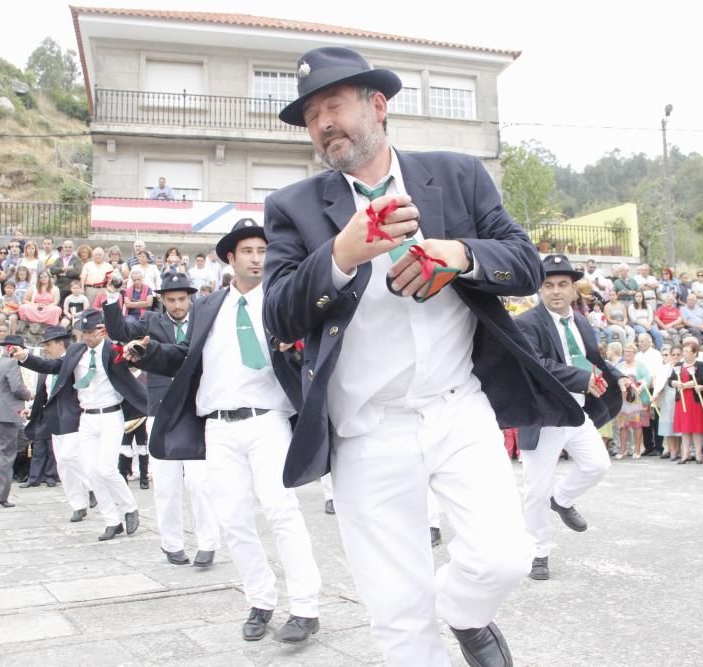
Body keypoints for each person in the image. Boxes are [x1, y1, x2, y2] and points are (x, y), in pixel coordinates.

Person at [260, 46, 580, 666]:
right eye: (310, 115)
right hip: (367, 428)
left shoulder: (456, 175)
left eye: (333, 105)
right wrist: (341, 254)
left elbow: (525, 264)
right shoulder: (292, 208)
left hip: (458, 408)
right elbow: (278, 312)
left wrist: (459, 256)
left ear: (377, 106)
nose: (323, 122)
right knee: (399, 616)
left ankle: (463, 613)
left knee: (504, 557)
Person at [126, 220, 321, 641]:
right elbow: (185, 356)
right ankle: (261, 600)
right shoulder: (209, 306)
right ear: (230, 258)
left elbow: (315, 344)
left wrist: (298, 345)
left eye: (263, 250)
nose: (257, 258)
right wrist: (147, 351)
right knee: (232, 519)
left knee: (281, 511)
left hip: (267, 420)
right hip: (218, 428)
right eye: (248, 251)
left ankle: (305, 607)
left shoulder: (282, 302)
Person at [514, 255, 625, 581]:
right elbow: (535, 364)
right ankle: (538, 551)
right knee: (535, 489)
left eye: (563, 285)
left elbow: (594, 361)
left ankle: (561, 499)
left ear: (574, 290)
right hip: (544, 416)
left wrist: (618, 376)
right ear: (539, 289)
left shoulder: (581, 322)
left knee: (598, 465)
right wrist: (580, 378)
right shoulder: (527, 323)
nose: (556, 291)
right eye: (548, 285)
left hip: (576, 412)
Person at [103, 270, 220, 568]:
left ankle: (208, 543)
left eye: (182, 299)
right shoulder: (151, 321)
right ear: (162, 300)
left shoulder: (204, 320)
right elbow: (118, 331)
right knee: (166, 483)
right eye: (171, 300)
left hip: (195, 409)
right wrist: (114, 296)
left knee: (201, 482)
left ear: (190, 298)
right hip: (161, 408)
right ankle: (172, 543)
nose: (178, 305)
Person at [13, 309, 145, 541]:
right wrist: (25, 357)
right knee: (92, 472)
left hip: (111, 415)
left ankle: (129, 507)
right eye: (82, 333)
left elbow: (133, 361)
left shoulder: (112, 350)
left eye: (89, 333)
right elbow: (52, 367)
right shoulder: (75, 351)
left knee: (106, 468)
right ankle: (111, 520)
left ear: (100, 330)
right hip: (87, 417)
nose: (85, 337)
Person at [23, 325, 97, 522]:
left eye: (48, 344)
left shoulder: (74, 362)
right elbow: (45, 394)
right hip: (54, 419)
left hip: (73, 417)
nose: (46, 349)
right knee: (63, 465)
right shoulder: (49, 367)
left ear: (60, 343)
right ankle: (78, 505)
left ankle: (94, 487)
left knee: (71, 455)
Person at [0, 335, 33, 507]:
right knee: (8, 454)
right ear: (13, 348)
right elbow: (17, 388)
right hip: (8, 414)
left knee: (27, 437)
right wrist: (29, 394)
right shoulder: (12, 363)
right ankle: (0, 495)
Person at [671, 340, 703, 463]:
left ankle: (698, 454)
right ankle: (685, 454)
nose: (685, 354)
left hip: (695, 400)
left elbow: (702, 379)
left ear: (695, 353)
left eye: (688, 351)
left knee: (696, 428)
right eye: (684, 351)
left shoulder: (700, 365)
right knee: (685, 428)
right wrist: (675, 383)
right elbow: (670, 380)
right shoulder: (678, 365)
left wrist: (688, 384)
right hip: (682, 399)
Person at [49, 240, 82, 306]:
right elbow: (52, 270)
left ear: (73, 248)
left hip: (72, 289)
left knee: (71, 308)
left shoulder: (77, 259)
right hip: (60, 288)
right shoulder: (59, 259)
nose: (68, 249)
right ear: (63, 248)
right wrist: (63, 269)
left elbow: (77, 272)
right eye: (66, 247)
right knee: (59, 307)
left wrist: (64, 273)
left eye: (70, 247)